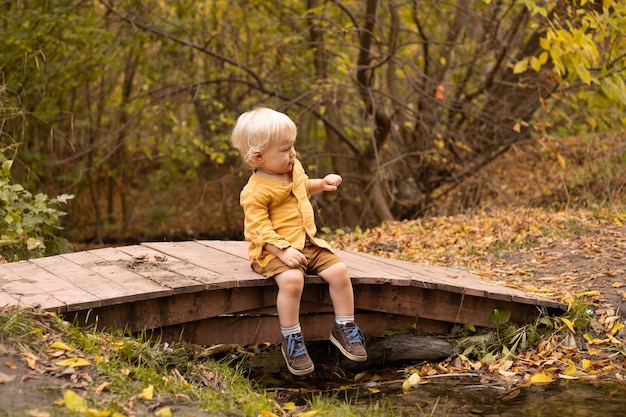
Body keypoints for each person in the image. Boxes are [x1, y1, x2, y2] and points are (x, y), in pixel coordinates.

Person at [230, 106, 367, 376]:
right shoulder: (254, 192)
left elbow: (301, 186)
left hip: (307, 242)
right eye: (284, 149)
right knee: (293, 280)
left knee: (339, 271)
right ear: (259, 156)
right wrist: (282, 251)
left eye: (293, 146)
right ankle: (292, 337)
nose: (292, 153)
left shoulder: (293, 169)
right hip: (272, 250)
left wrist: (321, 183)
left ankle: (344, 326)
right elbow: (257, 230)